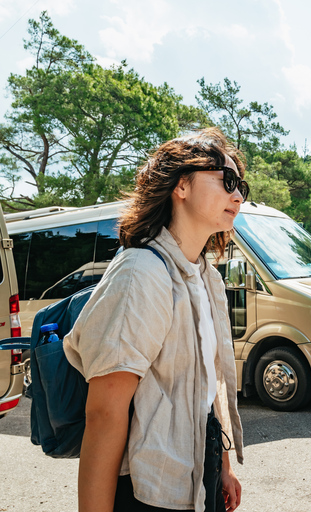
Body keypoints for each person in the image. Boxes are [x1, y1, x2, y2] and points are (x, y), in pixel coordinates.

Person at [63, 127, 247, 512]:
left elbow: (207, 384)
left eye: (241, 186)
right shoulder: (141, 271)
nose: (238, 194)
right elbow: (104, 412)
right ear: (181, 187)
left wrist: (223, 466)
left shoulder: (206, 276)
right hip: (149, 487)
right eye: (226, 180)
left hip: (200, 469)